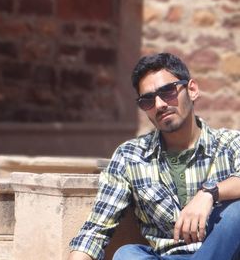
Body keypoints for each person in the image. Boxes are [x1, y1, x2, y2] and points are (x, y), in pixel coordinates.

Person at [68, 53, 240, 260]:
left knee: (236, 212)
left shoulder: (230, 143)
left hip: (223, 252)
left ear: (192, 90)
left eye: (168, 91)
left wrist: (209, 193)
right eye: (147, 99)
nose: (159, 105)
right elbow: (96, 230)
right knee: (126, 255)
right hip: (167, 256)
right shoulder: (130, 157)